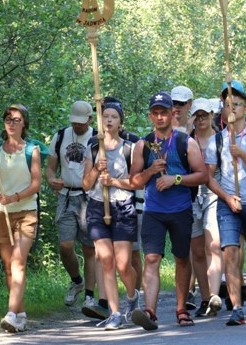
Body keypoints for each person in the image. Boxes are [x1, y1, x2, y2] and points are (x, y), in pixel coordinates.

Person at [129, 91, 208, 331]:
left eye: (164, 112)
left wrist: (175, 179)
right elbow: (134, 181)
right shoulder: (142, 144)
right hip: (153, 210)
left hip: (181, 209)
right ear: (150, 116)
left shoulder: (186, 142)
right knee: (152, 258)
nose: (161, 116)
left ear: (171, 114)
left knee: (182, 259)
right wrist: (151, 172)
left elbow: (202, 175)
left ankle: (181, 308)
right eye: (156, 112)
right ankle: (150, 312)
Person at [205, 81, 246, 326]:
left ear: (245, 108)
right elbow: (209, 177)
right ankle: (237, 307)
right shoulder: (217, 140)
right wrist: (226, 197)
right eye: (226, 105)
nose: (231, 108)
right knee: (231, 253)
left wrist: (242, 154)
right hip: (227, 204)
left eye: (236, 104)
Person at [81, 100, 140, 330]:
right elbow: (85, 185)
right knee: (106, 261)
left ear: (120, 121)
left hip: (123, 207)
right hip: (97, 206)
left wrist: (113, 180)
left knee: (123, 264)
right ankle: (115, 313)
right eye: (105, 116)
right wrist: (96, 168)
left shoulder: (130, 148)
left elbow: (135, 183)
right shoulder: (94, 147)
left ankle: (133, 296)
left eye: (113, 116)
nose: (108, 120)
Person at [0, 104, 41, 333]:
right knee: (9, 267)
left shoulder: (32, 150)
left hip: (26, 211)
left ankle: (9, 314)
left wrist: (14, 197)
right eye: (8, 119)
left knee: (18, 262)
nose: (11, 123)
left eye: (16, 120)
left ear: (24, 123)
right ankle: (20, 314)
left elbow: (36, 185)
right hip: (0, 212)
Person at [46, 101, 98, 312]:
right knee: (65, 246)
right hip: (66, 195)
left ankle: (90, 296)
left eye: (81, 123)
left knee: (89, 249)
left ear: (90, 120)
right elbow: (50, 169)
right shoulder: (60, 136)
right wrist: (51, 180)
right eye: (74, 122)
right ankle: (77, 281)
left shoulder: (96, 138)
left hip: (89, 197)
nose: (77, 126)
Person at [188, 98, 223, 317]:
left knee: (214, 245)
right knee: (197, 250)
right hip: (191, 197)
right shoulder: (186, 140)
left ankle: (215, 296)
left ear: (212, 115)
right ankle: (204, 297)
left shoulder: (220, 140)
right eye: (197, 116)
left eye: (204, 115)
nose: (200, 120)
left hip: (214, 194)